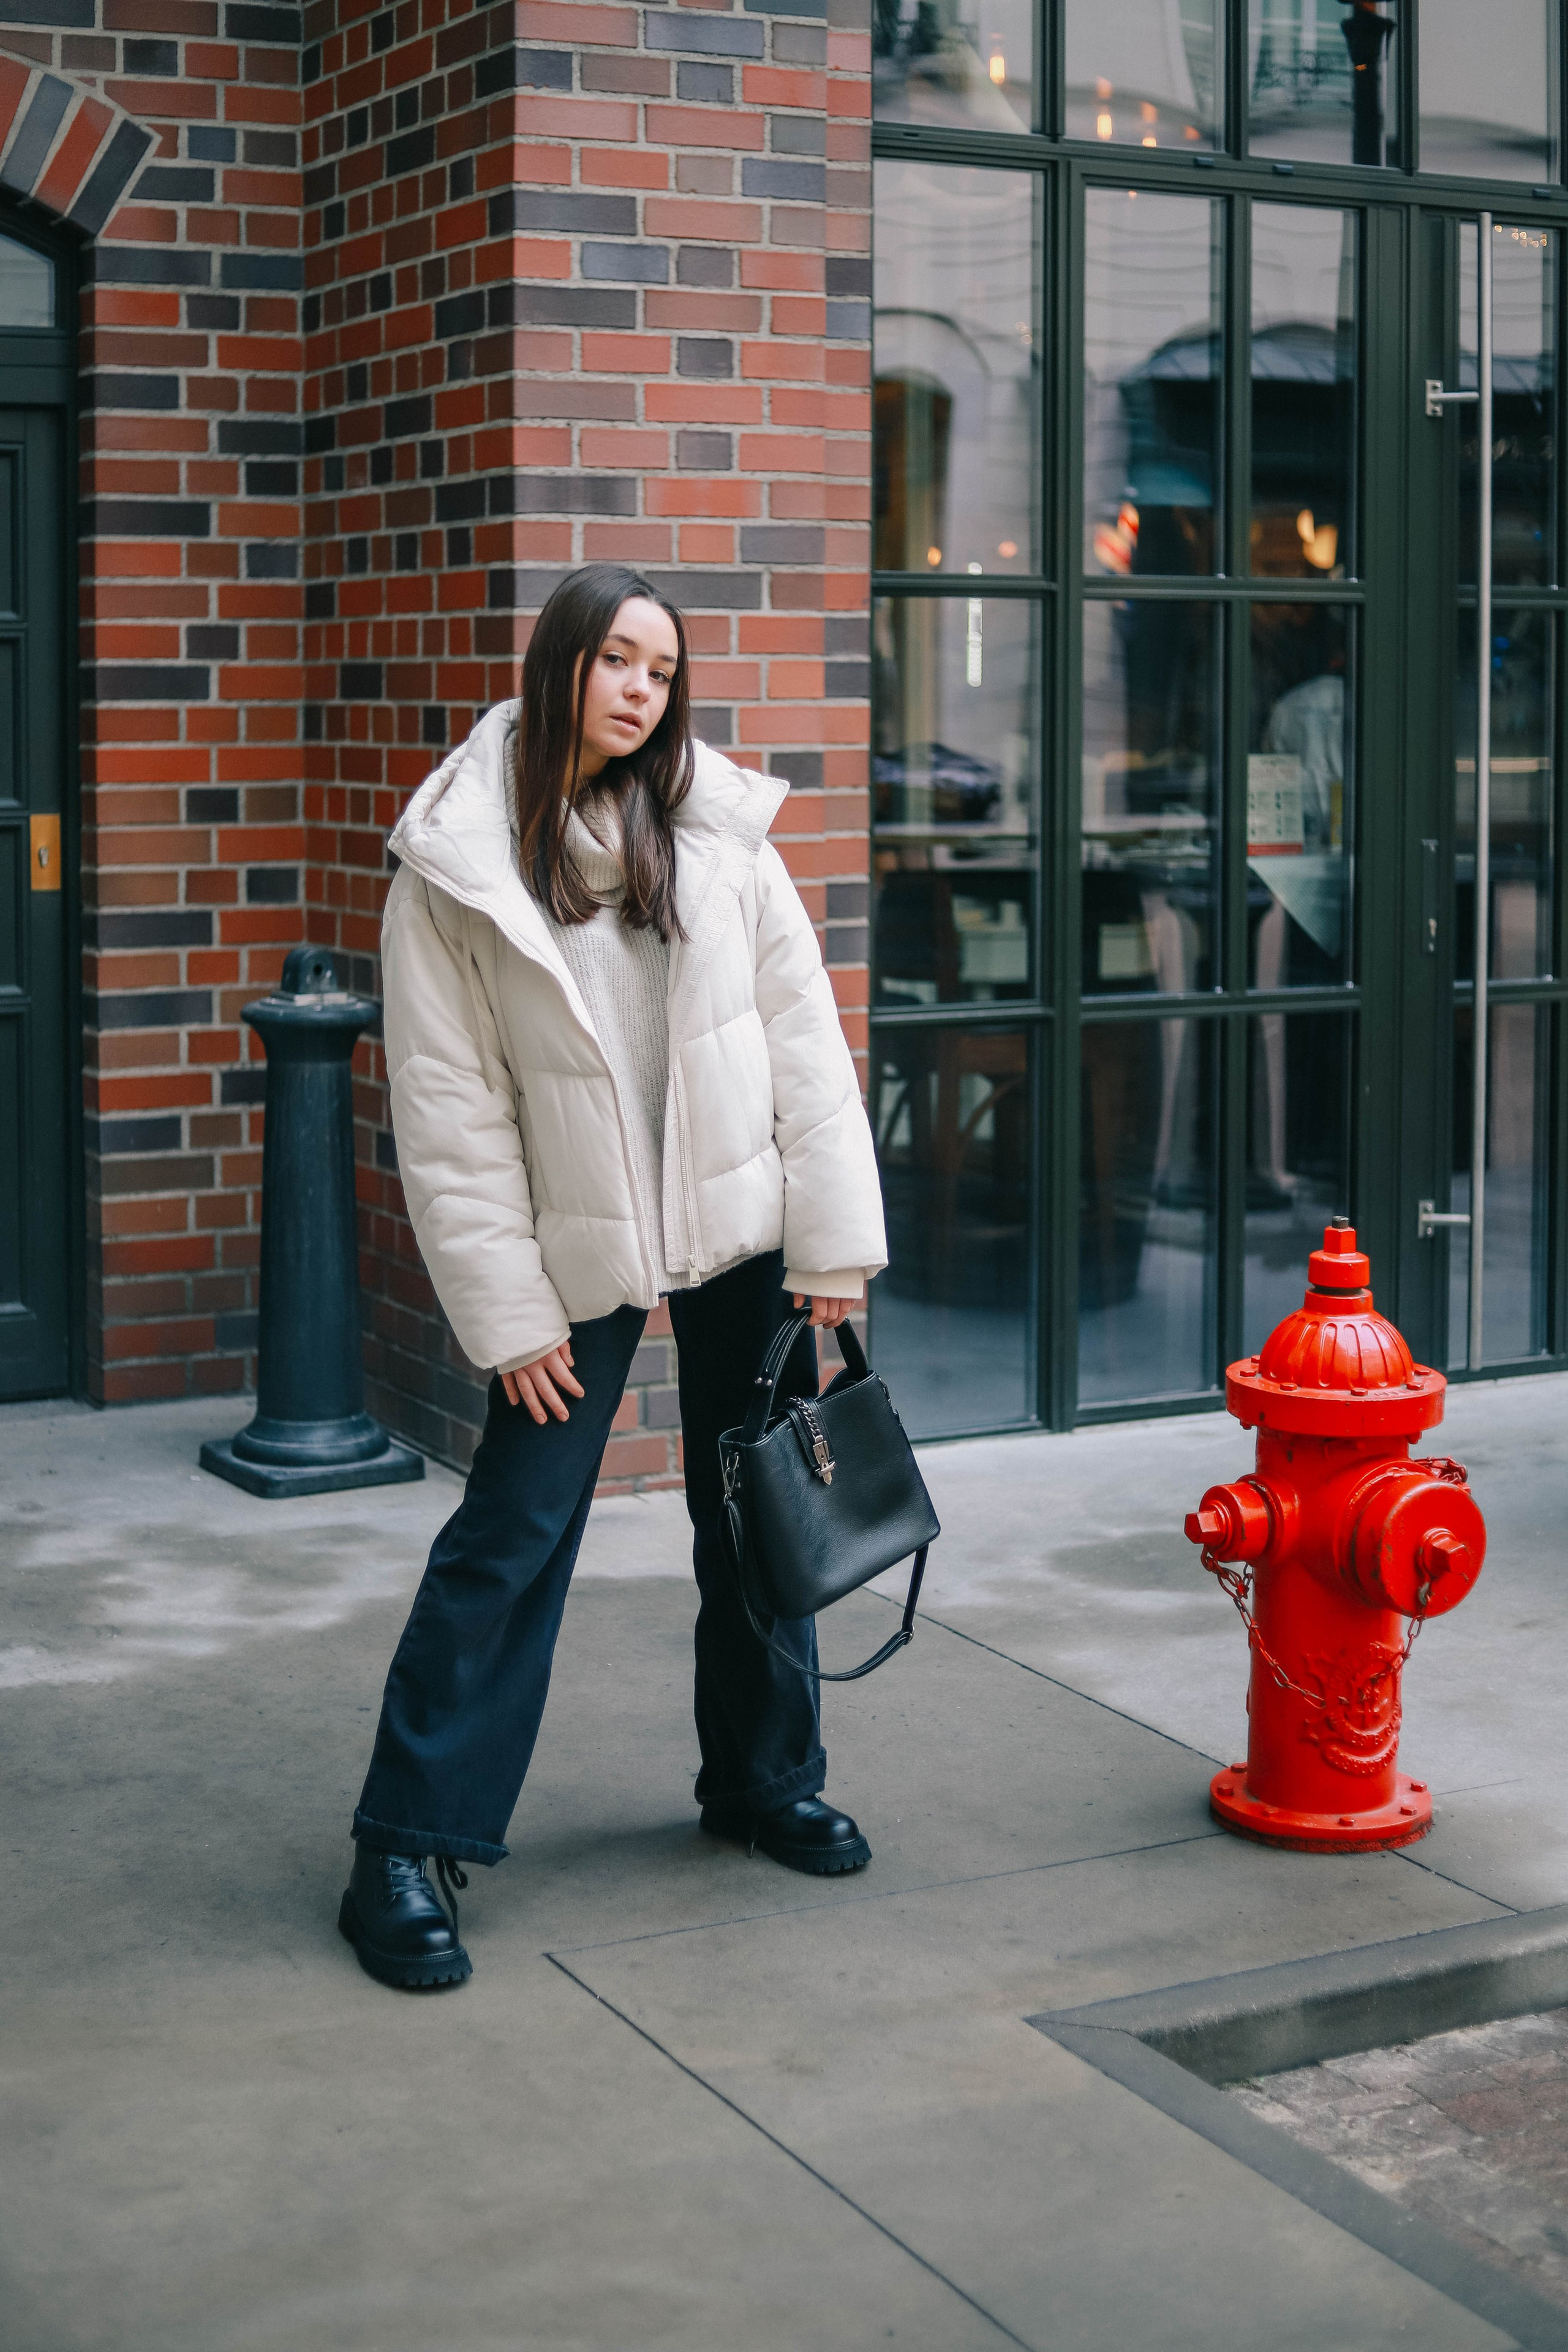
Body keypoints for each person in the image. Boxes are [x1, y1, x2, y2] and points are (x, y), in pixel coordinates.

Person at [338, 564, 889, 1990]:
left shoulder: (714, 834)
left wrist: (830, 1242)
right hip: (572, 1240)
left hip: (740, 1224)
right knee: (511, 1538)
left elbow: (804, 1048)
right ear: (560, 665)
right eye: (619, 661)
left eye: (664, 668)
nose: (644, 690)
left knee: (755, 1515)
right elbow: (447, 1116)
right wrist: (509, 1315)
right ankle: (405, 1840)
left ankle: (760, 1779)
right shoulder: (457, 863)